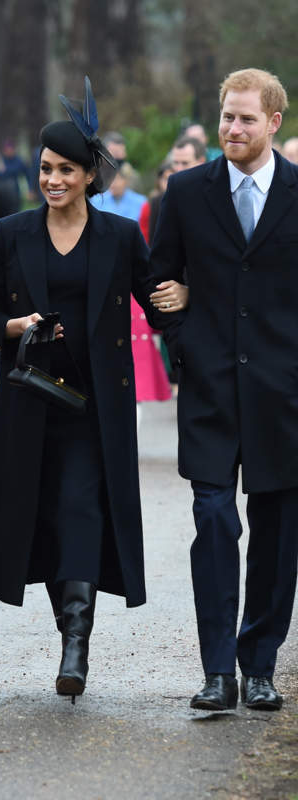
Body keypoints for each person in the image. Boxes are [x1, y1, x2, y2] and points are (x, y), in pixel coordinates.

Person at [0, 78, 176, 702]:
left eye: (66, 169)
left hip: (95, 409)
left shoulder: (119, 237)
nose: (53, 179)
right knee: (47, 522)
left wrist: (180, 297)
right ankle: (68, 627)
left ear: (91, 175)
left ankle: (76, 645)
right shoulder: (12, 232)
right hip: (30, 401)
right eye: (45, 168)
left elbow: (157, 301)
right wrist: (13, 326)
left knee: (83, 511)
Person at [151, 68, 298, 713]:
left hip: (282, 396)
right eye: (226, 117)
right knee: (212, 520)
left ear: (274, 123)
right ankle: (217, 670)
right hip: (209, 389)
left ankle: (259, 662)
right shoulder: (186, 193)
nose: (232, 129)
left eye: (246, 118)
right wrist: (182, 338)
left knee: (275, 531)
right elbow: (158, 285)